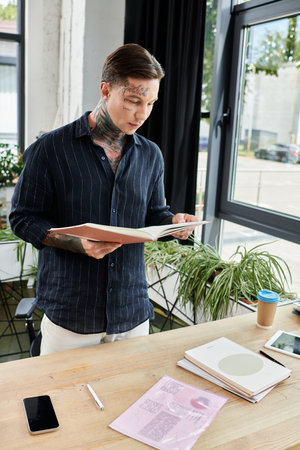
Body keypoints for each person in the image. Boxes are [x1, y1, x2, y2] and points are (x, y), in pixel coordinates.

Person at [9, 43, 199, 355]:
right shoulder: (51, 149)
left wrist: (173, 224)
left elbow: (154, 214)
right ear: (106, 90)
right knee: (61, 402)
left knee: (129, 401)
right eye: (133, 101)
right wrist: (76, 243)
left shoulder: (151, 155)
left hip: (132, 313)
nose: (142, 114)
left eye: (150, 103)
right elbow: (23, 219)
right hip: (71, 313)